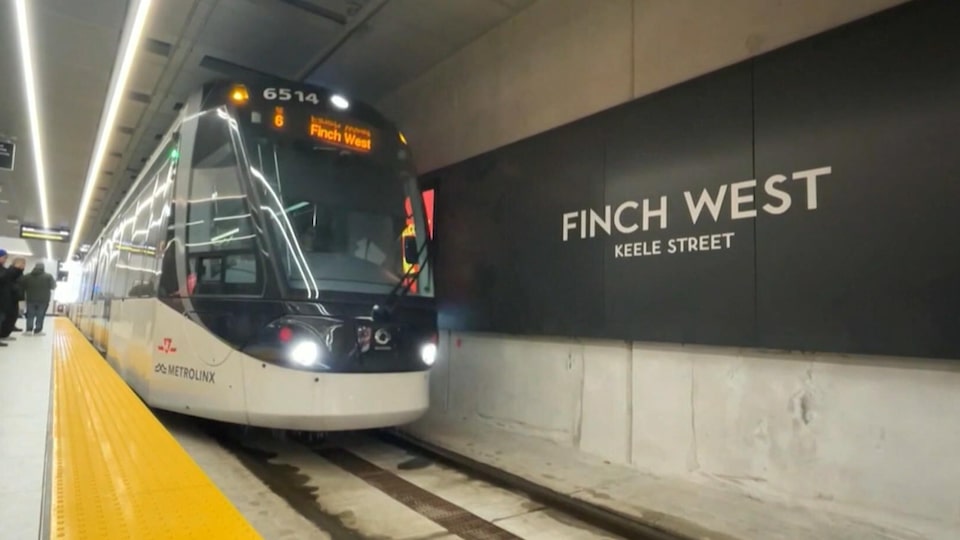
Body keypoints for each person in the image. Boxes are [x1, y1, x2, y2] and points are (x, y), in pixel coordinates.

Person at [21, 262, 56, 335]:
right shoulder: (48, 276)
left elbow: (22, 285)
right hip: (44, 299)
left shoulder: (27, 276)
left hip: (30, 298)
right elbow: (53, 286)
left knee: (30, 314)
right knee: (40, 314)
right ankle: (38, 330)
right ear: (43, 268)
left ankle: (28, 330)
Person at [0, 252, 26, 344]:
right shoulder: (11, 272)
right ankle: (3, 334)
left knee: (11, 316)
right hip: (8, 298)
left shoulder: (14, 272)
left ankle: (5, 334)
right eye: (22, 263)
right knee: (7, 317)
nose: (24, 265)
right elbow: (9, 283)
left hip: (12, 297)